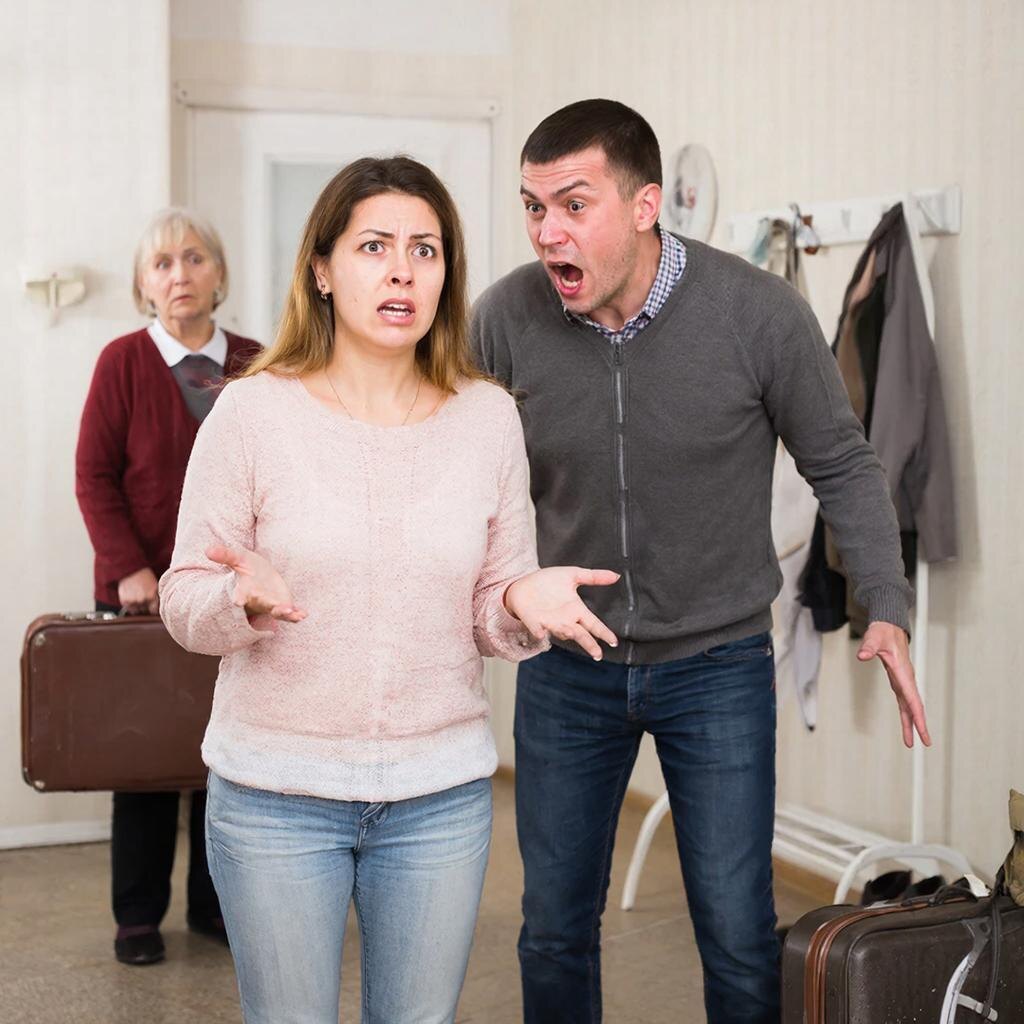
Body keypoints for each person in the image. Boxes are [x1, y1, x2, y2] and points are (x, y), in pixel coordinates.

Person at [470, 98, 931, 1024]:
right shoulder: (506, 318)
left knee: (736, 930)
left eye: (573, 205)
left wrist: (884, 599)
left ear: (646, 206)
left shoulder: (756, 313)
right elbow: (455, 475)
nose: (547, 232)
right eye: (532, 207)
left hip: (717, 666)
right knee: (553, 926)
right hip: (568, 666)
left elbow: (842, 462)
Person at [158, 155, 618, 1024]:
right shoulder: (252, 414)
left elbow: (491, 600)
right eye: (374, 246)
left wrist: (517, 603)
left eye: (425, 249)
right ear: (323, 271)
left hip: (439, 800)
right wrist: (238, 603)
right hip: (276, 798)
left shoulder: (487, 417)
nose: (403, 270)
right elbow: (183, 599)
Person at [75, 207, 261, 965]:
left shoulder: (255, 361)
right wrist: (128, 567)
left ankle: (214, 907)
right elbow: (94, 476)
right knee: (145, 759)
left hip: (230, 599)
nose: (178, 274)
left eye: (193, 258)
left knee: (227, 760)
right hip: (140, 596)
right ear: (142, 284)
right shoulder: (121, 362)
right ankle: (138, 917)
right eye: (161, 263)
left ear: (219, 273)